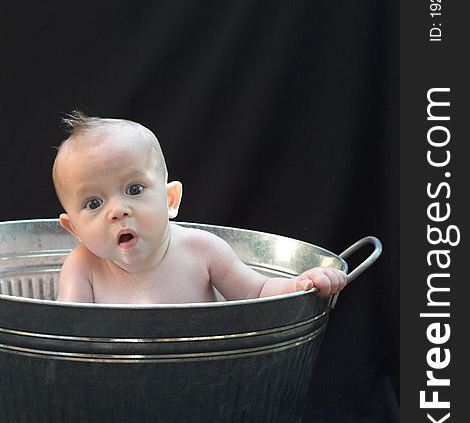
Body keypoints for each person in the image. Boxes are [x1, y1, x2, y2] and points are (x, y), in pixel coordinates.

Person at [52, 112, 347, 304]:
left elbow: (256, 293)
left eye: (134, 189)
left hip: (202, 384)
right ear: (74, 228)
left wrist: (301, 284)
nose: (117, 210)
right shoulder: (82, 268)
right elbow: (67, 337)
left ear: (170, 200)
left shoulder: (202, 250)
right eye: (94, 203)